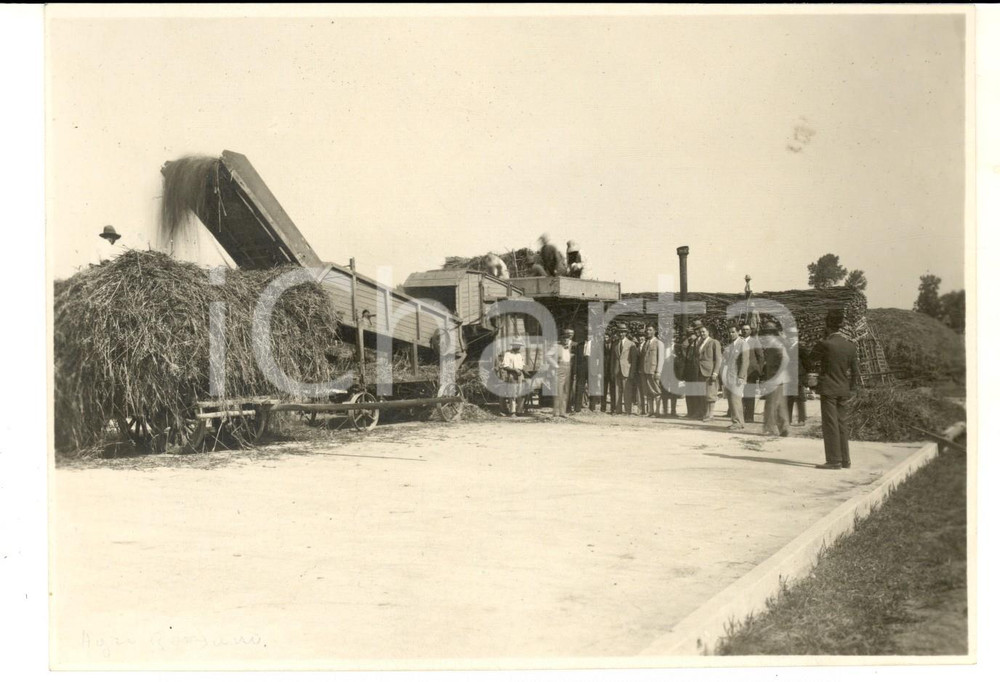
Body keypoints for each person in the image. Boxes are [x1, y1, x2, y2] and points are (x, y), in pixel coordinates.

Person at [813, 310, 861, 469]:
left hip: (828, 389)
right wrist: (853, 389)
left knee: (830, 424)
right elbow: (855, 371)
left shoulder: (825, 344)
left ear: (827, 326)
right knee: (841, 423)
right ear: (841, 326)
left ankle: (834, 460)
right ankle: (845, 460)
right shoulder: (850, 346)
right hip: (843, 389)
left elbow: (810, 359)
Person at [760, 322, 790, 437]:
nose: (764, 337)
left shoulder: (776, 345)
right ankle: (784, 428)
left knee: (771, 405)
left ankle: (770, 429)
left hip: (776, 380)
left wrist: (778, 375)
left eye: (766, 334)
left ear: (772, 334)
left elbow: (785, 359)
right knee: (780, 405)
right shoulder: (773, 345)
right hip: (777, 379)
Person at [695, 321, 723, 422]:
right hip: (700, 371)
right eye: (700, 332)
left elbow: (718, 359)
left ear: (708, 332)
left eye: (704, 332)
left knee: (711, 394)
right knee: (704, 393)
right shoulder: (699, 343)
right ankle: (706, 414)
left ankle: (711, 415)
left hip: (710, 372)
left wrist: (715, 372)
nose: (702, 333)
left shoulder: (714, 342)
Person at [723, 324, 749, 430]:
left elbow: (745, 361)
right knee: (731, 400)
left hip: (737, 377)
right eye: (729, 332)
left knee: (735, 400)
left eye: (733, 332)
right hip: (729, 376)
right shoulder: (730, 345)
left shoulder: (743, 344)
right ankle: (736, 421)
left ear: (739, 332)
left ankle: (738, 422)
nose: (731, 334)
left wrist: (741, 376)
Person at [740, 323, 765, 423]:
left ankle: (749, 417)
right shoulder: (739, 341)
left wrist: (758, 370)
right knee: (740, 395)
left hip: (751, 372)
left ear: (750, 331)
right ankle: (741, 415)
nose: (745, 331)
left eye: (747, 329)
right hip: (740, 372)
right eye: (743, 329)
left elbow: (761, 357)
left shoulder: (755, 342)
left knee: (749, 394)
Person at [611, 325, 638, 415]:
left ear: (626, 333)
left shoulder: (631, 344)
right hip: (617, 370)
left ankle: (628, 410)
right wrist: (612, 371)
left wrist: (632, 372)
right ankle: (618, 410)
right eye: (619, 332)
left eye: (623, 332)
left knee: (627, 391)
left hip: (626, 370)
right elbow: (613, 359)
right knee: (617, 391)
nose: (621, 333)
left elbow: (634, 360)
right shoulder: (615, 344)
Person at [639, 325, 665, 416]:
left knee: (656, 391)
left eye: (650, 330)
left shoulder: (659, 343)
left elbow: (661, 359)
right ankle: (651, 411)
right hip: (645, 371)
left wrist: (658, 371)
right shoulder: (646, 343)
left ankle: (657, 412)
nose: (648, 332)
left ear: (655, 331)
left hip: (653, 371)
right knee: (648, 391)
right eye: (647, 330)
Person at [498, 339, 527, 416]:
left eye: (519, 346)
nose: (518, 347)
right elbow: (505, 366)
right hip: (512, 375)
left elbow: (522, 365)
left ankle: (519, 411)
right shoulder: (508, 354)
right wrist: (514, 370)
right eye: (517, 346)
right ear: (513, 346)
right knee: (512, 393)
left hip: (520, 374)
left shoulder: (519, 355)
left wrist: (525, 372)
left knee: (521, 393)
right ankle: (512, 412)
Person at [552, 328, 575, 418]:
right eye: (564, 339)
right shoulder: (557, 347)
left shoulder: (569, 348)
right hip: (559, 368)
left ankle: (563, 412)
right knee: (558, 391)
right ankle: (556, 412)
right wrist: (555, 365)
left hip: (568, 368)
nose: (566, 340)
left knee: (566, 391)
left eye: (567, 339)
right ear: (561, 339)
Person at [682, 326, 701, 418]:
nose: (690, 337)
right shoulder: (688, 345)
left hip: (696, 371)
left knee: (695, 392)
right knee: (689, 392)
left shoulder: (699, 344)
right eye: (688, 335)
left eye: (692, 335)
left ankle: (697, 412)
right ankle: (690, 412)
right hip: (688, 372)